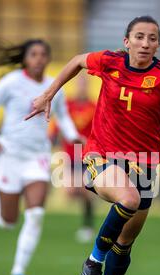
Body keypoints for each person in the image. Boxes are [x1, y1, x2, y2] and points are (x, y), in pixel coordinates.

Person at [25, 16, 160, 275]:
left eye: (151, 38)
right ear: (126, 41)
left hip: (145, 165)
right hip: (102, 155)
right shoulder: (110, 62)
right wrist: (49, 93)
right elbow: (76, 61)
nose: (145, 43)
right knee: (127, 198)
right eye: (139, 36)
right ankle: (92, 261)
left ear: (157, 44)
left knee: (125, 245)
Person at [0, 39, 81, 275]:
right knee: (8, 222)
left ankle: (18, 272)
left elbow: (63, 117)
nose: (39, 59)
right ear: (25, 59)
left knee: (35, 215)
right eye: (33, 54)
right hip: (10, 155)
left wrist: (74, 135)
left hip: (38, 157)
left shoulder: (54, 86)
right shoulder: (12, 82)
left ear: (48, 58)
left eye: (43, 54)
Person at [63, 73, 96, 243]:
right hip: (70, 155)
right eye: (80, 83)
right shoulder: (67, 104)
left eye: (85, 83)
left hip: (86, 156)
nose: (82, 86)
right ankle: (92, 197)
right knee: (70, 192)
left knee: (84, 191)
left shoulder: (94, 106)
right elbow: (59, 126)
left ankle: (87, 226)